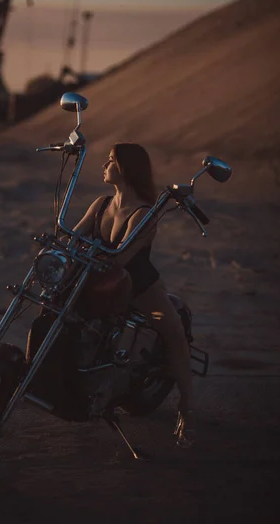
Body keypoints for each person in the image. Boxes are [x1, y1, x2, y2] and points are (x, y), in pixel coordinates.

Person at [73, 142, 196, 448]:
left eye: (111, 160)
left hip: (140, 289)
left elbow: (122, 258)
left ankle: (187, 407)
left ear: (125, 168)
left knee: (175, 335)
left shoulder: (144, 214)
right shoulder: (101, 204)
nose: (104, 165)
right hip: (100, 282)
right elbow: (73, 236)